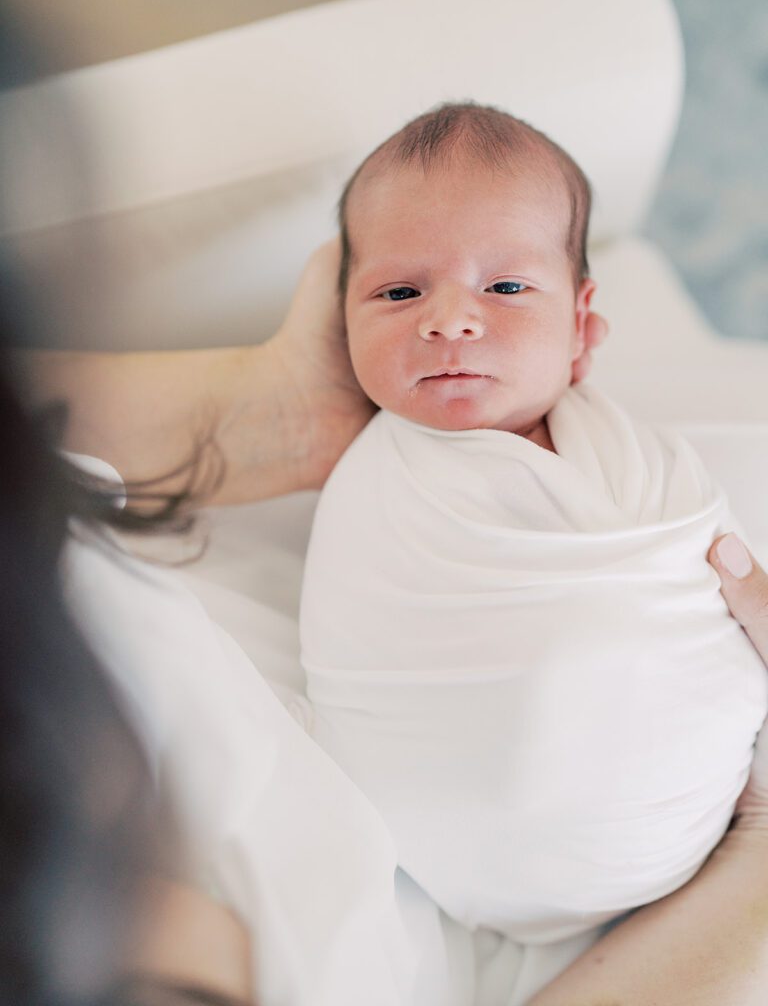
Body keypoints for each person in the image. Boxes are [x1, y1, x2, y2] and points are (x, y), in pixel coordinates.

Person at [298, 103, 768, 987]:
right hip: (464, 853)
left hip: (690, 837)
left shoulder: (641, 464)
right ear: (342, 322)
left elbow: (708, 582)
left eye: (506, 288)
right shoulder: (379, 488)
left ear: (584, 328)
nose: (450, 321)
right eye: (400, 292)